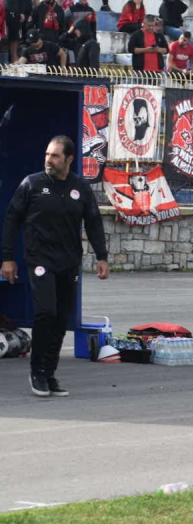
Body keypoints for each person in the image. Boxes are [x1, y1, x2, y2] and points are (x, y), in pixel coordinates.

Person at [1, 136, 110, 398]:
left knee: (61, 318)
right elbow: (12, 220)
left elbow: (93, 222)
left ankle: (49, 373)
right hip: (39, 259)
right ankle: (36, 370)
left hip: (68, 262)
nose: (49, 160)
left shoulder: (80, 187)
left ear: (69, 159)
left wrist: (102, 257)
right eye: (48, 155)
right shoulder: (32, 183)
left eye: (55, 156)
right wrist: (7, 257)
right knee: (46, 312)